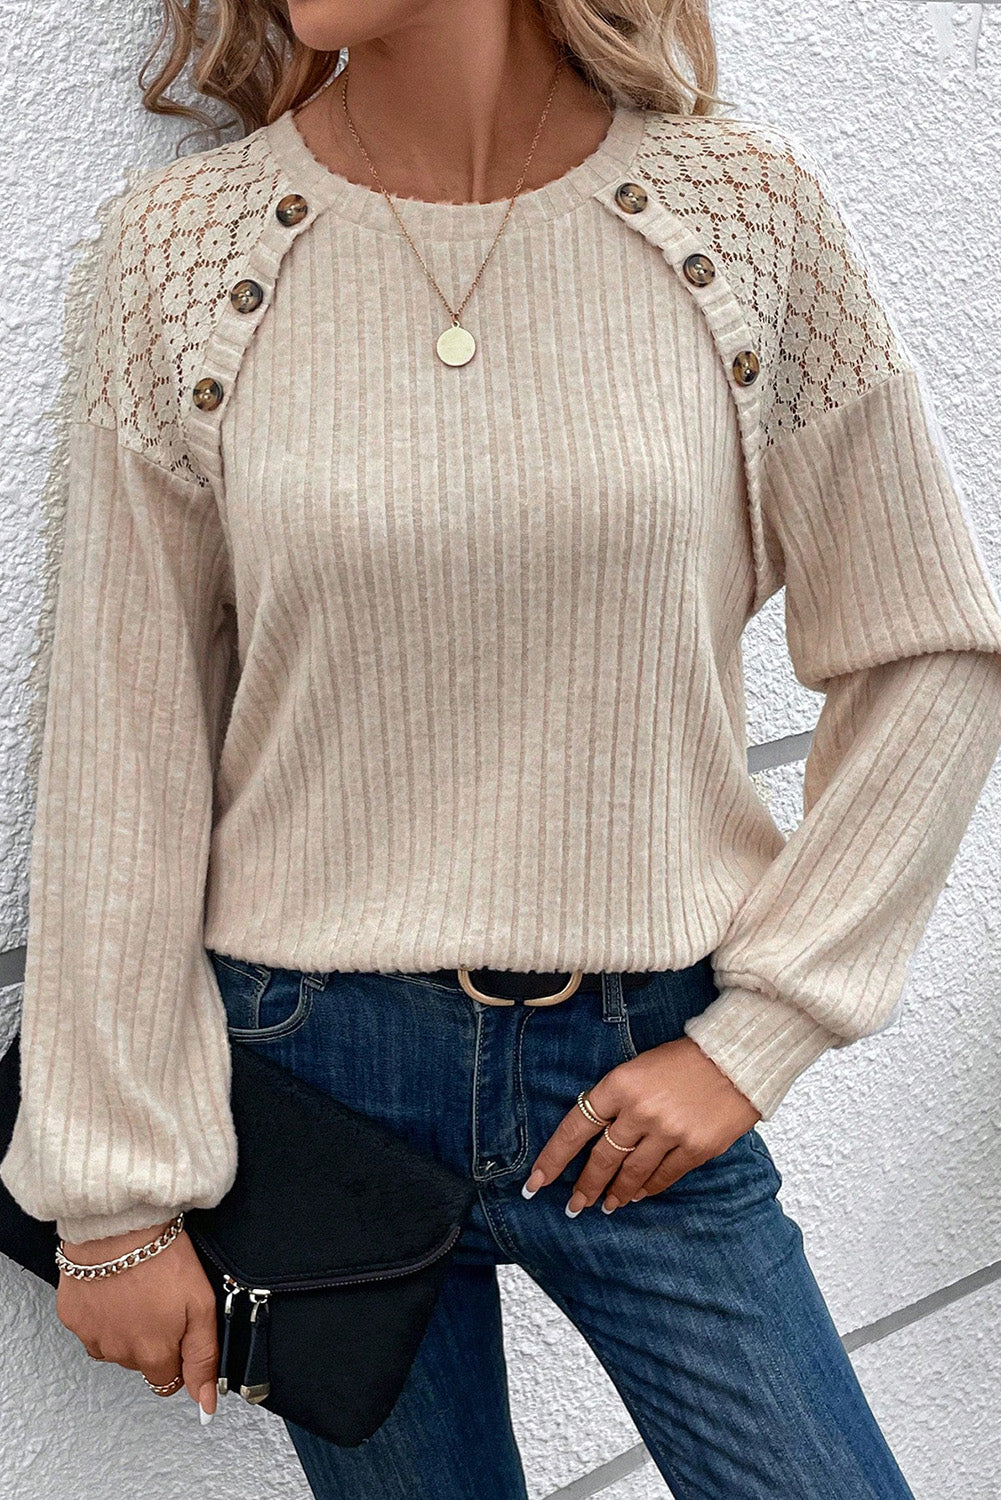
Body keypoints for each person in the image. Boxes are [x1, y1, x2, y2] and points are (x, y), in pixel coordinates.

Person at [4, 1, 1001, 1495]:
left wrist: (761, 1034)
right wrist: (111, 1205)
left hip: (637, 1073)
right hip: (310, 1083)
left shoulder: (740, 215)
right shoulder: (184, 255)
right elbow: (123, 736)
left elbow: (928, 642)